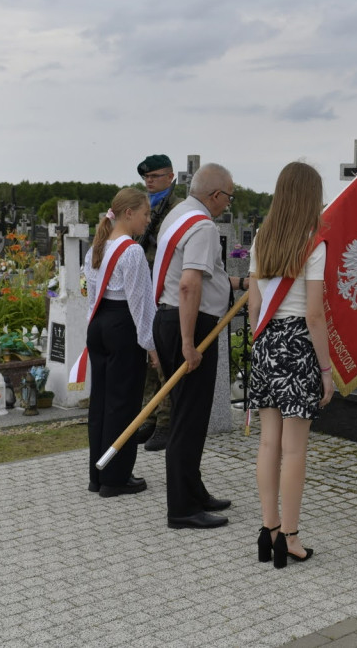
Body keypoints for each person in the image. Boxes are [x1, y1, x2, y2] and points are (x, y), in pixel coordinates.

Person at [247, 162, 334, 568]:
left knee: (268, 443)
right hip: (299, 345)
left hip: (265, 343)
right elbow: (315, 315)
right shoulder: (313, 244)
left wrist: (261, 345)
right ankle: (291, 538)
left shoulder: (262, 238)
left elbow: (254, 305)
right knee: (294, 449)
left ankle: (269, 530)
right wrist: (326, 370)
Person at [152, 162, 239, 529]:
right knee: (189, 416)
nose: (228, 205)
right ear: (215, 195)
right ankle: (183, 509)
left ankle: (193, 488)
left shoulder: (178, 214)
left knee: (192, 413)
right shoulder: (203, 226)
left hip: (171, 318)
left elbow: (202, 277)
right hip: (190, 324)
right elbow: (189, 284)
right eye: (229, 198)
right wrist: (189, 343)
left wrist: (240, 282)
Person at [84, 188, 160, 498]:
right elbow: (141, 305)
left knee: (101, 401)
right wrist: (152, 347)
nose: (148, 220)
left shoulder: (96, 248)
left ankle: (97, 474)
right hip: (122, 326)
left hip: (99, 324)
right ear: (128, 213)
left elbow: (91, 297)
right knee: (124, 403)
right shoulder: (132, 252)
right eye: (145, 214)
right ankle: (116, 478)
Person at [135, 154, 180, 451]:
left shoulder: (175, 209)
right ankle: (149, 418)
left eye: (155, 177)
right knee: (147, 360)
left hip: (164, 287)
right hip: (146, 285)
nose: (149, 182)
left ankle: (165, 423)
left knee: (162, 359)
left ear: (170, 176)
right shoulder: (144, 205)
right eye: (146, 178)